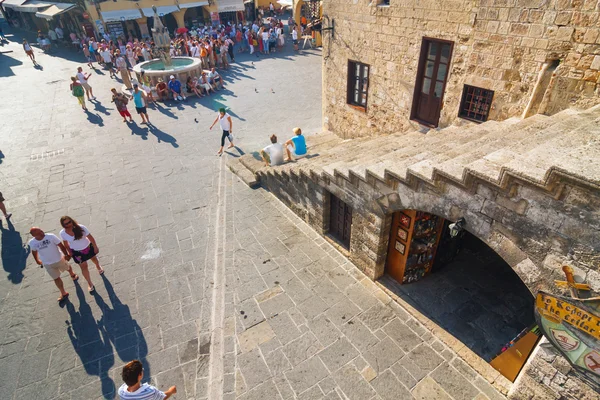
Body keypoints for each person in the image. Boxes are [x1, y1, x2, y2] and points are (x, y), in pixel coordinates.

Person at [29, 227, 79, 302]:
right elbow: (34, 251)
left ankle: (72, 274)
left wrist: (66, 254)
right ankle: (63, 292)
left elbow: (60, 245)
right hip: (47, 263)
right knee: (56, 278)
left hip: (59, 259)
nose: (42, 233)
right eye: (39, 233)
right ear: (34, 235)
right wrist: (37, 260)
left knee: (67, 267)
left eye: (41, 230)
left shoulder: (50, 236)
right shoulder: (32, 242)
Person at [59, 216, 101, 293]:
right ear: (63, 225)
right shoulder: (62, 233)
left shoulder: (81, 227)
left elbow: (90, 237)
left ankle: (98, 267)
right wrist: (69, 252)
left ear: (72, 221)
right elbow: (66, 244)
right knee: (84, 267)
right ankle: (90, 283)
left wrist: (95, 246)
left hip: (87, 247)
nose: (68, 224)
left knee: (94, 259)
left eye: (69, 222)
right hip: (76, 252)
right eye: (66, 224)